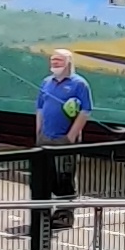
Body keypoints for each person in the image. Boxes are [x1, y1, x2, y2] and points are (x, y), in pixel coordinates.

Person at [34, 50, 94, 235]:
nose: (54, 63)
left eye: (59, 60)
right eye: (52, 60)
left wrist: (71, 136)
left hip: (64, 139)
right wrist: (38, 131)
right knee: (46, 176)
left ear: (68, 63)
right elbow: (40, 107)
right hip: (45, 137)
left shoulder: (79, 84)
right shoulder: (46, 82)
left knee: (64, 177)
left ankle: (64, 215)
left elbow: (85, 111)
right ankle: (44, 212)